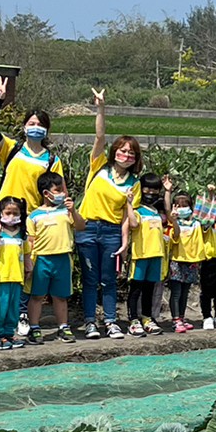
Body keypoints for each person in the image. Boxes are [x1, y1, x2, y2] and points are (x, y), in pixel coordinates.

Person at [75, 89, 137, 340]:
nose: (126, 155)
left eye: (131, 153)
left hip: (112, 232)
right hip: (87, 228)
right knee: (90, 280)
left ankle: (111, 321)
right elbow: (100, 137)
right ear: (114, 152)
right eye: (122, 151)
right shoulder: (99, 167)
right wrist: (101, 108)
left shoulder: (134, 183)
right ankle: (91, 321)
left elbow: (126, 216)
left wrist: (125, 241)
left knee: (108, 280)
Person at [0, 76, 64, 213]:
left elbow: (58, 192)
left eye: (40, 125)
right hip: (3, 213)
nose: (36, 127)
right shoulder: (11, 148)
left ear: (46, 130)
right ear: (24, 127)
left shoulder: (52, 161)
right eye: (32, 124)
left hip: (30, 216)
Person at [26, 171, 83, 344]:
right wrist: (28, 262)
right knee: (37, 296)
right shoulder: (34, 216)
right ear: (46, 193)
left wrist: (73, 210)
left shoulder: (66, 211)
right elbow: (30, 241)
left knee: (60, 296)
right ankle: (34, 328)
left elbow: (81, 226)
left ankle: (63, 327)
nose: (62, 193)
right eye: (58, 190)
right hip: (41, 260)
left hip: (63, 259)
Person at [126, 174, 168, 336]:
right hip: (140, 256)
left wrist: (168, 192)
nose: (151, 192)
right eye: (147, 188)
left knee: (149, 289)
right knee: (136, 289)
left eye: (155, 189)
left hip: (156, 256)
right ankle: (133, 319)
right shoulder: (138, 211)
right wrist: (129, 204)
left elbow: (169, 210)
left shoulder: (157, 212)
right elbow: (134, 224)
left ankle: (147, 317)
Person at [0, 196, 29, 350]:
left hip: (17, 277)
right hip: (1, 277)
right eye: (8, 213)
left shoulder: (21, 234)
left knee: (13, 309)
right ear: (0, 213)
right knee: (0, 308)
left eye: (15, 213)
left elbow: (26, 253)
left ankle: (9, 333)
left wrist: (28, 266)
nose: (11, 217)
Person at [164, 182, 203, 333]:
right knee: (176, 292)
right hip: (177, 260)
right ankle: (175, 320)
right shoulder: (172, 223)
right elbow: (175, 235)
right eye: (178, 205)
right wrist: (173, 220)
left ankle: (182, 317)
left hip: (191, 261)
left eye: (185, 204)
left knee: (185, 291)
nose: (182, 208)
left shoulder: (196, 223)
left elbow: (208, 216)